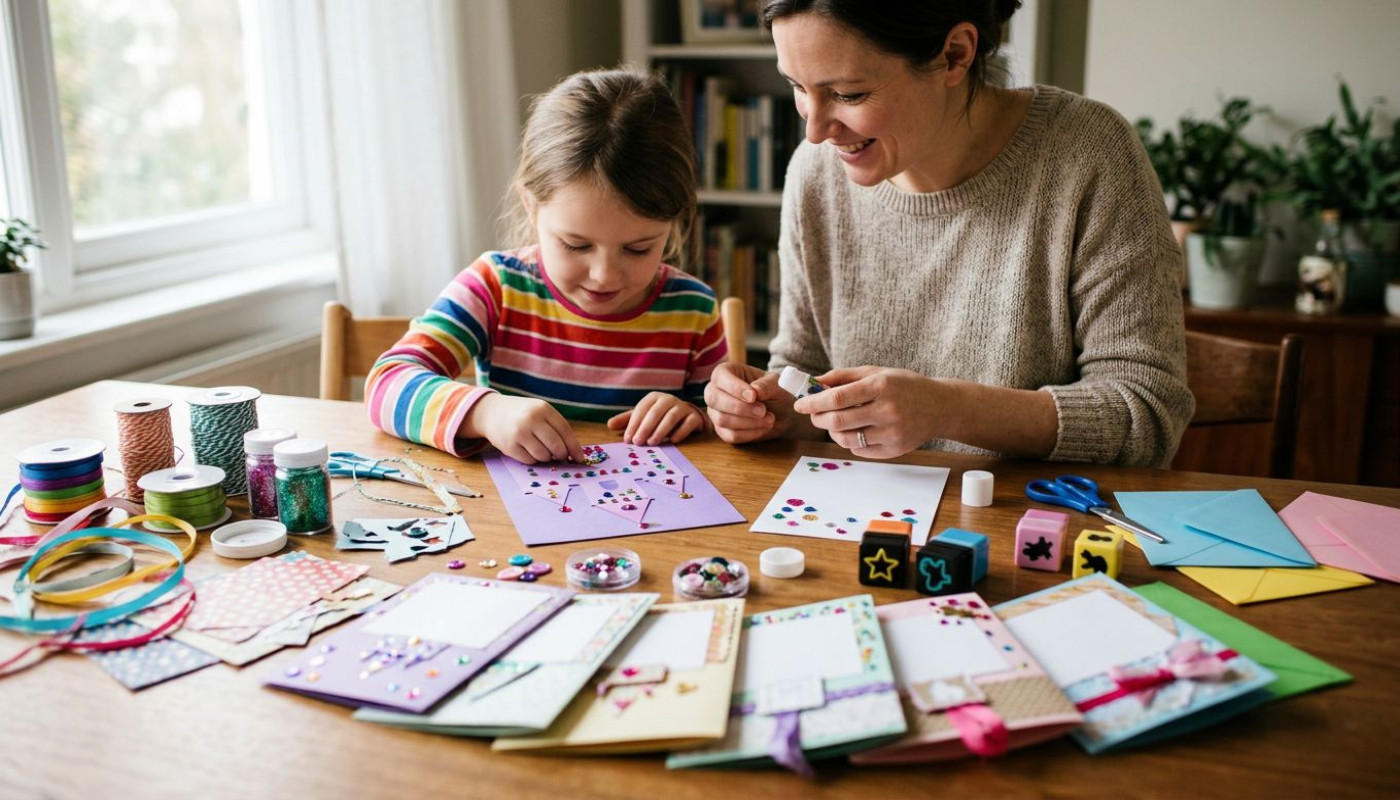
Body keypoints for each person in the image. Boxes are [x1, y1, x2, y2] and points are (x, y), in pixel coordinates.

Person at [705, 0, 1194, 468]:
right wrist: (766, 409)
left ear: (954, 54)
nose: (814, 130)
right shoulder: (815, 173)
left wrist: (947, 409)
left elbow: (1147, 417)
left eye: (848, 94)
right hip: (861, 524)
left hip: (1028, 529)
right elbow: (804, 376)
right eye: (796, 86)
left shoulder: (1090, 156)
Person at [367, 69, 727, 465]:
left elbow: (719, 426)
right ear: (530, 205)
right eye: (576, 244)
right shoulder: (496, 287)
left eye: (638, 249)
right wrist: (485, 413)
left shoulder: (693, 310)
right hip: (508, 522)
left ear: (673, 222)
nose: (604, 275)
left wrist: (695, 417)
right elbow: (387, 385)